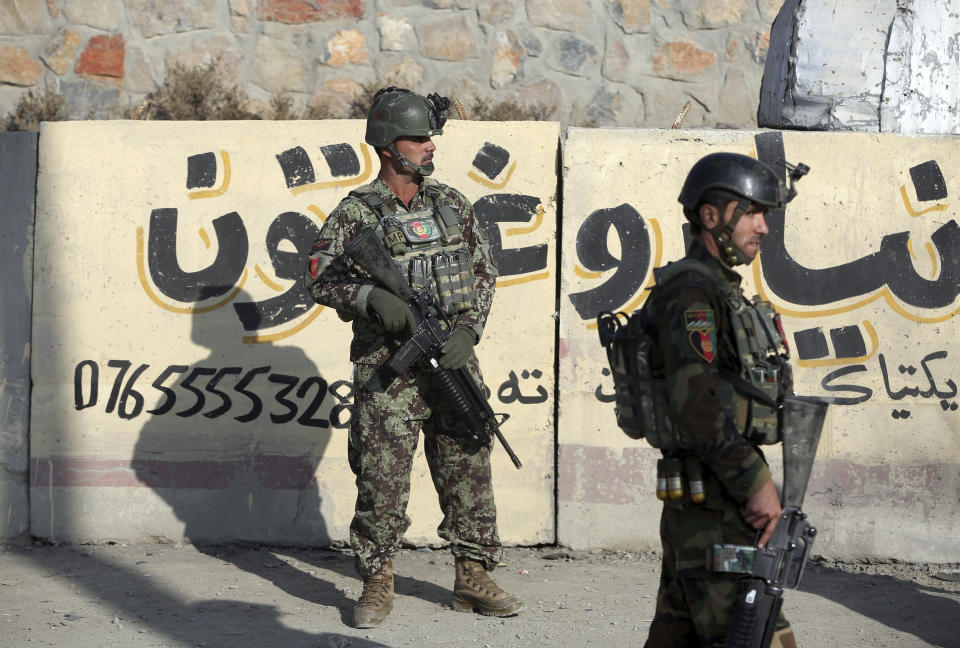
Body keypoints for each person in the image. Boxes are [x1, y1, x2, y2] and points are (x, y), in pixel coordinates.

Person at [305, 87, 523, 629]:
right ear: (387, 145)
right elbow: (319, 276)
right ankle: (378, 581)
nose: (430, 146)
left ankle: (473, 575)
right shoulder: (357, 213)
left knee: (469, 461)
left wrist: (469, 331)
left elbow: (483, 272)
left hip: (451, 360)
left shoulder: (451, 203)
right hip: (390, 368)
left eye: (430, 137)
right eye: (418, 138)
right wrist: (369, 298)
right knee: (382, 475)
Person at [641, 152, 802, 648]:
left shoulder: (718, 291)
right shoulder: (692, 294)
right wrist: (755, 483)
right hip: (716, 507)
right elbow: (697, 406)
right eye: (753, 212)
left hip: (705, 507)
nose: (763, 227)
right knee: (758, 636)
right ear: (711, 216)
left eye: (765, 214)